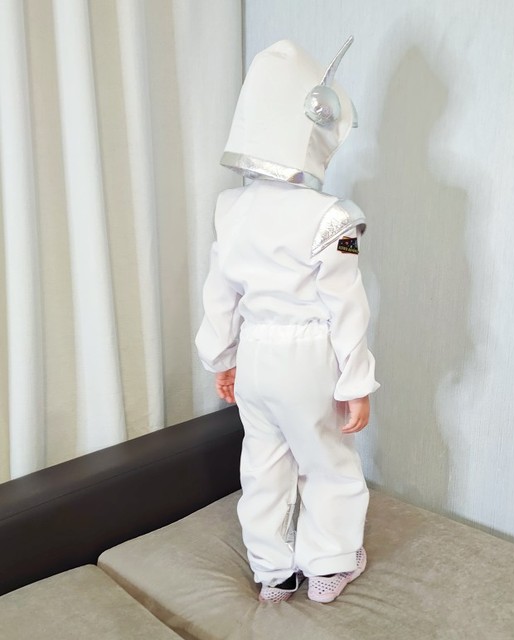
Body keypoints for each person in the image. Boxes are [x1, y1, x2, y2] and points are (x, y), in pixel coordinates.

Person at [195, 36, 379, 604]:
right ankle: (329, 565)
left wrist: (223, 358)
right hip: (307, 357)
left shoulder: (231, 209)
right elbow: (346, 305)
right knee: (326, 460)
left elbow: (220, 294)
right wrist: (355, 381)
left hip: (255, 356)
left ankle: (272, 572)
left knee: (263, 463)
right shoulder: (330, 217)